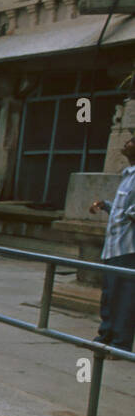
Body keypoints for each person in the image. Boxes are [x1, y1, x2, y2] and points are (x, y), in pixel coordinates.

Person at [88, 135, 135, 353]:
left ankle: (120, 344)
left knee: (124, 298)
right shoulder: (128, 176)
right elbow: (122, 208)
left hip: (128, 249)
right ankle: (105, 335)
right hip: (114, 247)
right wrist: (106, 205)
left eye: (133, 141)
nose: (127, 143)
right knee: (109, 295)